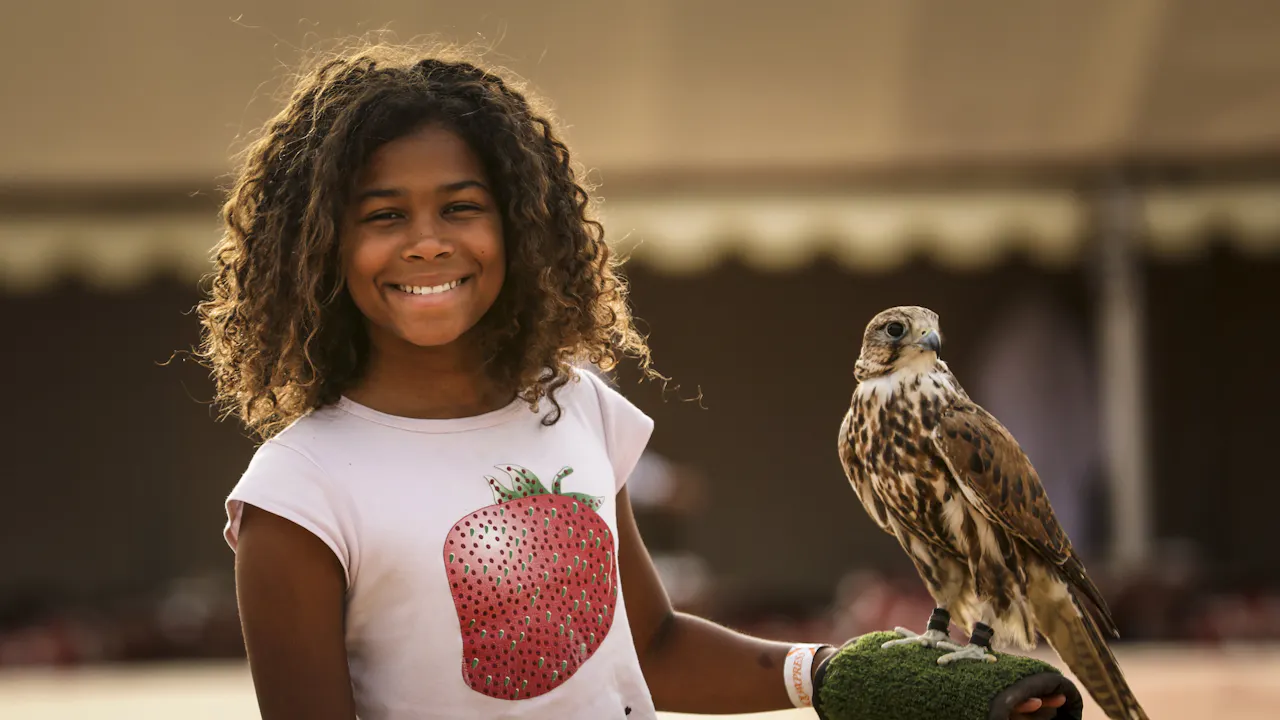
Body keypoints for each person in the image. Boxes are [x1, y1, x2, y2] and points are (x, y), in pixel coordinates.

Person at [198, 41, 1067, 719]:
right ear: (317, 249)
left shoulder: (573, 407)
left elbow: (645, 645)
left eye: (461, 207)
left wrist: (836, 676)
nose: (428, 241)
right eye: (384, 216)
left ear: (522, 228)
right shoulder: (296, 494)